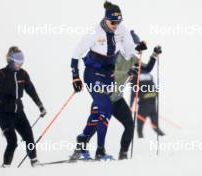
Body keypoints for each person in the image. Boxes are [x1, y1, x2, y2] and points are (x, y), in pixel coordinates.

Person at [70, 1, 146, 161]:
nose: (116, 25)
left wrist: (133, 63)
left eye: (118, 22)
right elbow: (76, 53)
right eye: (113, 22)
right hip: (92, 73)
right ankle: (100, 151)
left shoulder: (122, 30)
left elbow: (129, 50)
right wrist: (75, 76)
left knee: (98, 111)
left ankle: (81, 143)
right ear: (105, 20)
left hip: (108, 75)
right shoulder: (94, 32)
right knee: (106, 108)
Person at [0, 46, 47, 167]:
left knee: (29, 137)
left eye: (21, 60)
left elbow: (31, 91)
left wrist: (40, 106)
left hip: (18, 111)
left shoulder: (23, 74)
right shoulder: (1, 74)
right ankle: (5, 167)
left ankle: (34, 161)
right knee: (12, 142)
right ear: (10, 60)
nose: (20, 63)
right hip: (3, 112)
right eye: (17, 60)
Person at [129, 37, 165, 138]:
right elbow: (133, 92)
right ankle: (140, 136)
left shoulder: (144, 70)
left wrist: (155, 54)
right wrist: (130, 106)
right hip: (143, 103)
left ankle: (160, 133)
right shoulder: (134, 74)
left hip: (152, 100)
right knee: (141, 122)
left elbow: (149, 67)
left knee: (155, 121)